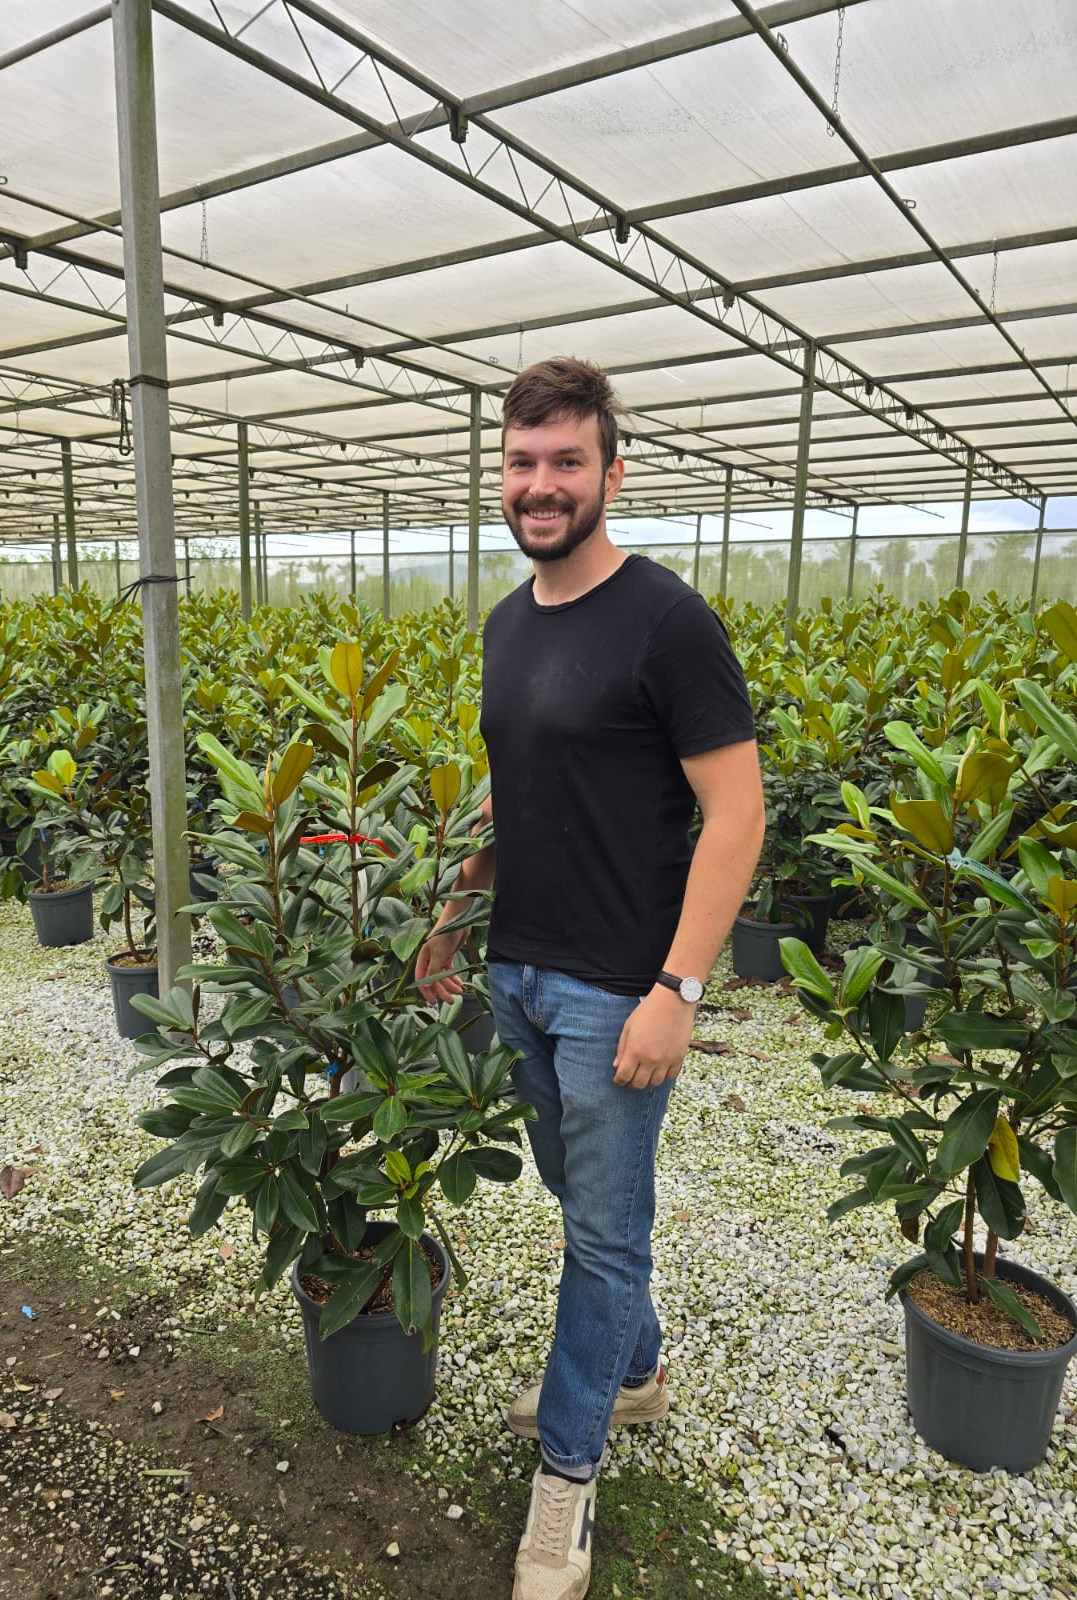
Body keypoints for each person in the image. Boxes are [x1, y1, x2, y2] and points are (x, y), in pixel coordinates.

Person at [416, 357, 765, 1600]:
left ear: (613, 471)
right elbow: (517, 794)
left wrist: (680, 987)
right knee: (581, 1203)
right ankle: (638, 1370)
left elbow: (736, 815)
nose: (541, 484)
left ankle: (568, 1475)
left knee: (603, 1236)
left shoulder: (670, 623)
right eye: (522, 462)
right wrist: (456, 918)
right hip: (519, 973)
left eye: (567, 461)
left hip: (619, 987)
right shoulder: (509, 624)